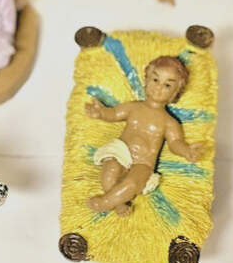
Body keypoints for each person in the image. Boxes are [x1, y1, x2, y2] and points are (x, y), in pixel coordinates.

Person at [85, 56, 204, 215]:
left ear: (175, 93)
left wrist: (187, 151)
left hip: (143, 163)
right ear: (146, 80)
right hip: (121, 151)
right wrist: (101, 113)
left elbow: (175, 142)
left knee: (132, 182)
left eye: (167, 85)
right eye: (155, 80)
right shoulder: (133, 107)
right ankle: (118, 202)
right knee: (110, 169)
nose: (159, 87)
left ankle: (105, 202)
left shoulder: (169, 122)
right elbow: (114, 113)